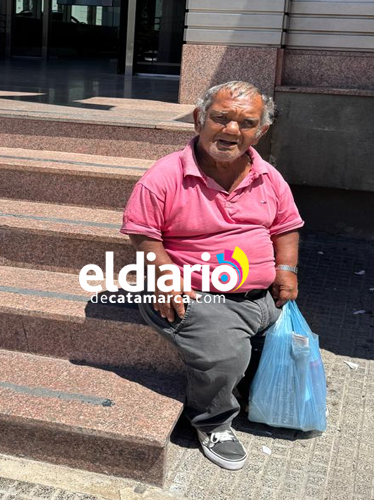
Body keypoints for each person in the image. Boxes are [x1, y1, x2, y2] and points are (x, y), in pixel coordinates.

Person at [120, 81, 304, 470]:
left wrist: (286, 270)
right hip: (196, 294)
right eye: (221, 118)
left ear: (261, 131)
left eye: (246, 123)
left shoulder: (269, 176)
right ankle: (212, 422)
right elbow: (143, 234)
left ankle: (245, 383)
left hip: (261, 297)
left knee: (283, 346)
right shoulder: (165, 175)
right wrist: (166, 278)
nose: (232, 130)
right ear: (199, 119)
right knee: (225, 353)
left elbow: (286, 227)